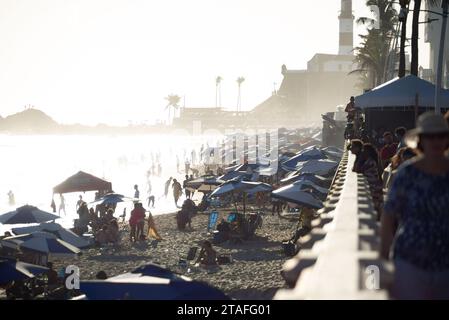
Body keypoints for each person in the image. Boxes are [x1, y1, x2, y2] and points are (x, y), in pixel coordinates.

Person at [380, 112, 449, 299]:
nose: (436, 141)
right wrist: (382, 260)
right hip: (409, 262)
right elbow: (388, 218)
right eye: (429, 136)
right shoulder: (407, 173)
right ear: (421, 140)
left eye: (441, 136)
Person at [360, 143, 383, 220]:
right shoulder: (372, 160)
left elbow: (358, 169)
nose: (362, 152)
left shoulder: (370, 162)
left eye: (363, 150)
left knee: (375, 208)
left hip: (373, 187)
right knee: (376, 207)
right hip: (375, 186)